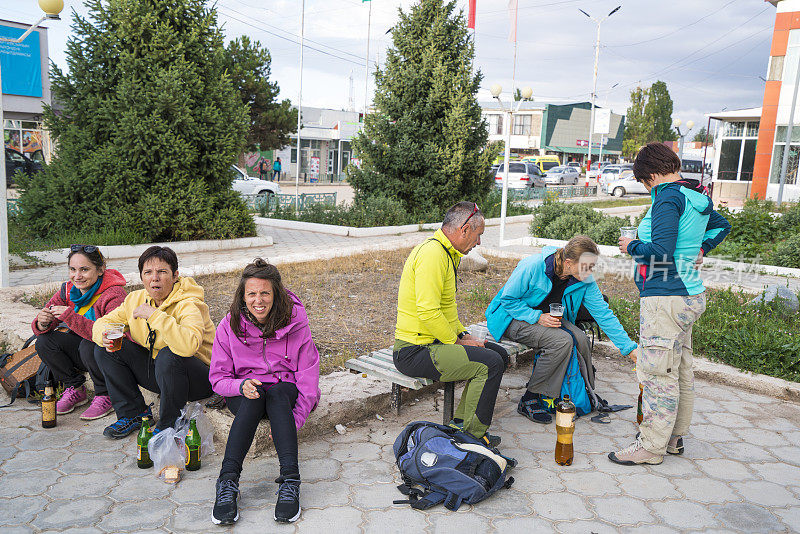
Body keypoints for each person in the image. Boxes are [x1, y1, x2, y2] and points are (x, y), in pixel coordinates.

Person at [609, 142, 730, 466]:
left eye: (645, 182)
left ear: (651, 174)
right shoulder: (696, 196)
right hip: (689, 294)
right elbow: (722, 226)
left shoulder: (666, 197)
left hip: (666, 297)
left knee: (655, 372)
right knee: (679, 369)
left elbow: (661, 250)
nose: (648, 188)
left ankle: (651, 446)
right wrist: (702, 248)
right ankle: (673, 438)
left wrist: (631, 244)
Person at [209, 259, 320, 525]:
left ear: (276, 294)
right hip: (245, 390)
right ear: (243, 296)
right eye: (252, 294)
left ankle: (290, 482)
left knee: (279, 395)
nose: (258, 300)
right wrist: (239, 386)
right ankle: (227, 483)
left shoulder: (296, 322)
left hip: (284, 388)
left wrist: (294, 421)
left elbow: (308, 378)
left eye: (265, 293)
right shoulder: (229, 325)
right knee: (252, 401)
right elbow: (218, 378)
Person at [485, 236, 638, 424]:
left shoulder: (584, 279)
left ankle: (582, 391)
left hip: (546, 318)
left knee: (580, 337)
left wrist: (629, 348)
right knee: (561, 341)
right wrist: (537, 317)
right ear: (568, 263)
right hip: (511, 317)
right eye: (587, 266)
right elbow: (507, 300)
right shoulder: (533, 266)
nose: (591, 272)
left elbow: (603, 314)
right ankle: (530, 398)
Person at [393, 202, 509, 447]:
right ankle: (471, 436)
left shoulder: (446, 254)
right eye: (478, 236)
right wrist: (456, 342)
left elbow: (447, 309)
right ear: (465, 229)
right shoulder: (432, 254)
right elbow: (428, 312)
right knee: (488, 364)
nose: (478, 243)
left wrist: (463, 335)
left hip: (432, 344)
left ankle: (459, 424)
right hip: (413, 351)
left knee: (498, 354)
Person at [92, 246, 215, 439]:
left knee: (169, 353)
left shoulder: (189, 303)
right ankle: (134, 414)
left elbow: (188, 346)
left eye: (162, 272)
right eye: (148, 272)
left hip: (200, 378)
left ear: (175, 276)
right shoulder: (136, 299)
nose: (154, 278)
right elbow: (102, 323)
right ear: (142, 277)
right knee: (106, 349)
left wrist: (155, 316)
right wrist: (104, 335)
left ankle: (169, 425)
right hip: (165, 376)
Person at [32, 245, 126, 420]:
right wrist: (43, 322)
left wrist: (70, 317)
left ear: (100, 269)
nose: (77, 276)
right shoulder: (68, 290)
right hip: (84, 355)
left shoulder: (114, 294)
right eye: (73, 269)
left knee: (88, 345)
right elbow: (42, 322)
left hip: (109, 355)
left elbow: (112, 334)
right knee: (44, 341)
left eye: (84, 269)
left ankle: (105, 394)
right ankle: (74, 388)